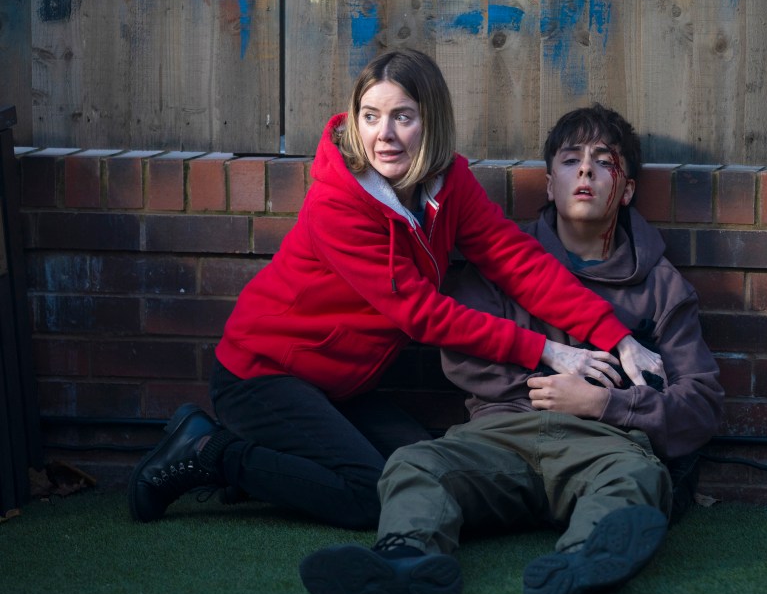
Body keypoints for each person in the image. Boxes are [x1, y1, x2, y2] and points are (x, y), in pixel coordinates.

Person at [127, 51, 665, 529]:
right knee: (369, 498)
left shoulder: (448, 182)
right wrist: (548, 350)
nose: (383, 133)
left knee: (421, 470)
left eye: (402, 117)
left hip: (336, 385)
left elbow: (517, 260)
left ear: (429, 123)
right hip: (261, 375)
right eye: (370, 116)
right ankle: (210, 451)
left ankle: (265, 464)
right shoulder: (337, 203)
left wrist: (616, 337)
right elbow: (422, 315)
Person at [297, 104, 724, 594]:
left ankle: (584, 564)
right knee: (416, 462)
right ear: (549, 185)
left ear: (626, 190)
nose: (585, 170)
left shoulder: (662, 288)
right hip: (498, 439)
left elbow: (700, 404)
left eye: (603, 161)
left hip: (603, 446)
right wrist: (548, 386)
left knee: (636, 480)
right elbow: (462, 356)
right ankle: (405, 561)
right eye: (570, 160)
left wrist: (601, 404)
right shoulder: (505, 262)